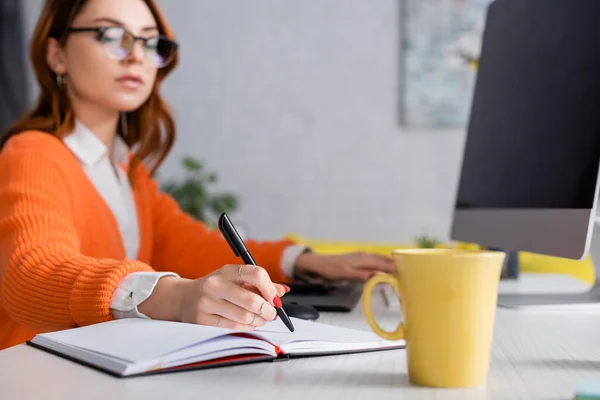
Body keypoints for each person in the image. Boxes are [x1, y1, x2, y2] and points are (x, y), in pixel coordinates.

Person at [0, 0, 395, 351]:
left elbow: (193, 248)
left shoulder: (127, 173)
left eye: (151, 42)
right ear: (56, 54)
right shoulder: (33, 152)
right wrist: (172, 298)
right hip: (33, 373)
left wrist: (305, 261)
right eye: (111, 35)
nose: (136, 56)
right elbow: (31, 273)